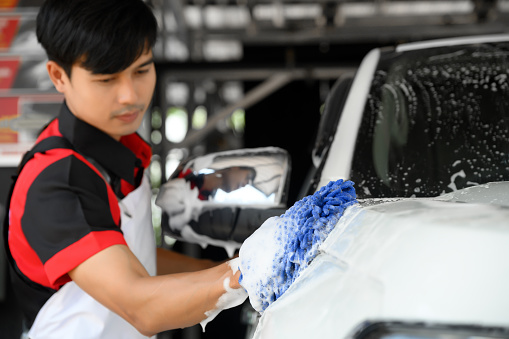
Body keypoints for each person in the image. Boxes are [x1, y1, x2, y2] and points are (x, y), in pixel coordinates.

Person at [4, 0, 245, 338]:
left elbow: (135, 257)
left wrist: (219, 271)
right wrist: (253, 271)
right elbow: (140, 306)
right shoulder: (58, 183)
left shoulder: (115, 150)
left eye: (142, 70)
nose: (130, 95)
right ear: (59, 76)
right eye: (106, 79)